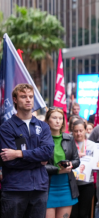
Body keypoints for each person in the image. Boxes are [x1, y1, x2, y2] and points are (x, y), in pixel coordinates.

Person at [0, 84, 54, 218]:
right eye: (23, 97)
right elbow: (9, 162)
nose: (28, 100)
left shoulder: (43, 126)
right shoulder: (6, 128)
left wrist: (19, 154)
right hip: (15, 189)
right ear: (15, 99)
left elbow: (48, 153)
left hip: (39, 189)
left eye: (30, 96)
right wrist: (38, 160)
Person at [45, 107, 80, 218]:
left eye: (60, 118)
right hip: (48, 188)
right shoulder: (42, 139)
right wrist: (57, 170)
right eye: (54, 118)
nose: (58, 121)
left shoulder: (69, 138)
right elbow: (39, 166)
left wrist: (71, 164)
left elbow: (77, 160)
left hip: (66, 187)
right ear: (48, 120)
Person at [70, 119, 96, 218]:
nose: (78, 133)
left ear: (85, 130)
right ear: (72, 131)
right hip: (72, 183)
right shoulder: (69, 143)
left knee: (84, 213)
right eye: (76, 131)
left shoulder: (92, 145)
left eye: (81, 130)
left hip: (87, 183)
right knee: (73, 213)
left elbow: (97, 164)